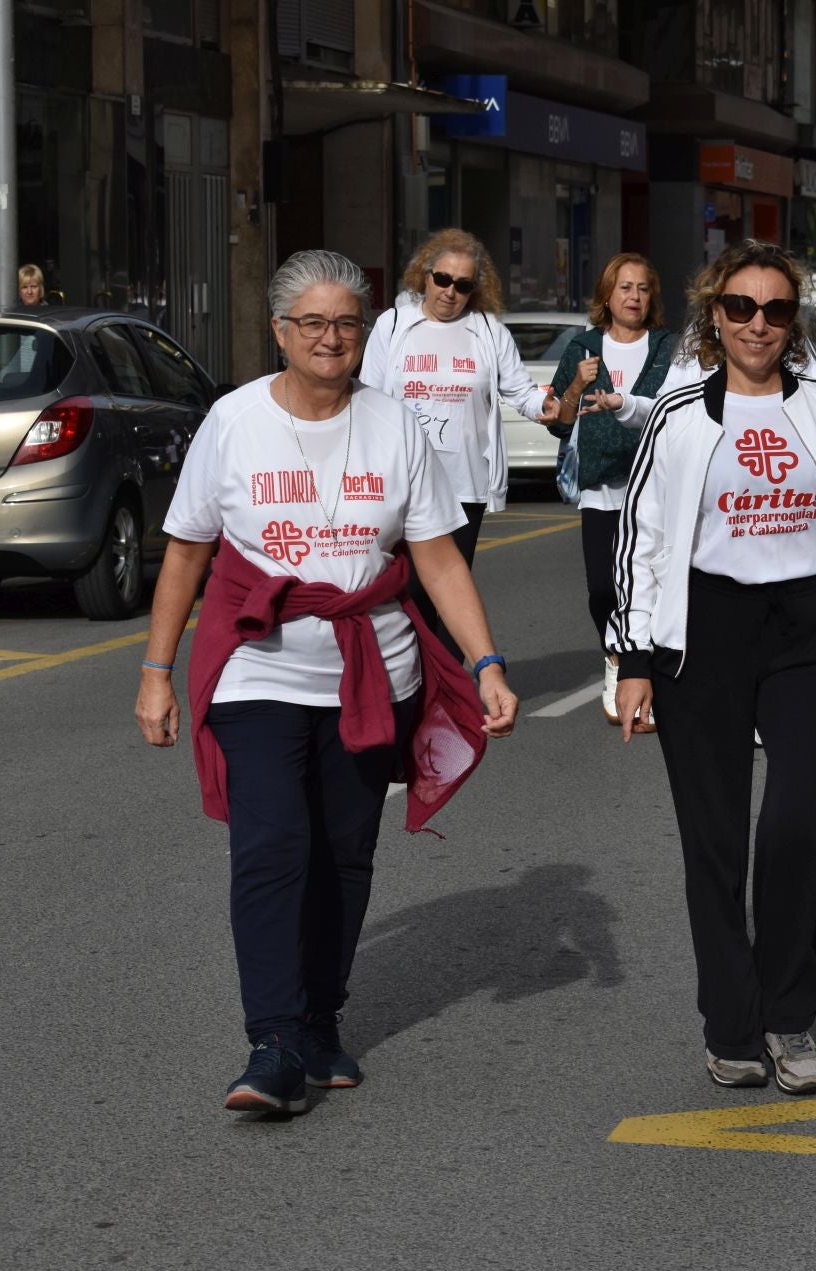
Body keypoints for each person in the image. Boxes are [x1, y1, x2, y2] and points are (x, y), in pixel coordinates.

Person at [134, 249, 521, 1115]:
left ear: (364, 331)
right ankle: (271, 1041)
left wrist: (485, 662)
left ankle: (319, 1019)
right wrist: (157, 672)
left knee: (344, 855)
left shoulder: (395, 426)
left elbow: (436, 559)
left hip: (373, 673)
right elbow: (189, 553)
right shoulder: (232, 422)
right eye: (311, 323)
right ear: (279, 332)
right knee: (273, 848)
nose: (330, 338)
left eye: (346, 322)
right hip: (255, 670)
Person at [610, 239, 816, 1096]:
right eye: (741, 308)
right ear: (714, 317)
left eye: (776, 309)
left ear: (794, 319)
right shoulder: (680, 416)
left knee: (803, 826)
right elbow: (643, 539)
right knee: (716, 844)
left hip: (804, 633)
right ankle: (732, 1024)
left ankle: (788, 1009)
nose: (759, 324)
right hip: (703, 635)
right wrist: (630, 659)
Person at [360, 228, 559, 657]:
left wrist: (551, 406)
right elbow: (369, 399)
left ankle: (445, 697)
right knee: (407, 594)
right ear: (424, 276)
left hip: (464, 484)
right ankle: (413, 687)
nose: (450, 292)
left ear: (475, 289)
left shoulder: (487, 331)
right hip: (403, 484)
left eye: (463, 285)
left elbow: (521, 392)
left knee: (449, 592)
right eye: (442, 279)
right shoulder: (393, 325)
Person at [546, 253, 678, 724]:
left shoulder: (668, 346)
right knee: (604, 588)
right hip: (602, 487)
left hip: (656, 487)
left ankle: (649, 675)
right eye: (625, 288)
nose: (634, 297)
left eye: (643, 288)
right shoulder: (583, 347)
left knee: (654, 586)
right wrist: (574, 392)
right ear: (607, 295)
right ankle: (618, 654)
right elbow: (559, 424)